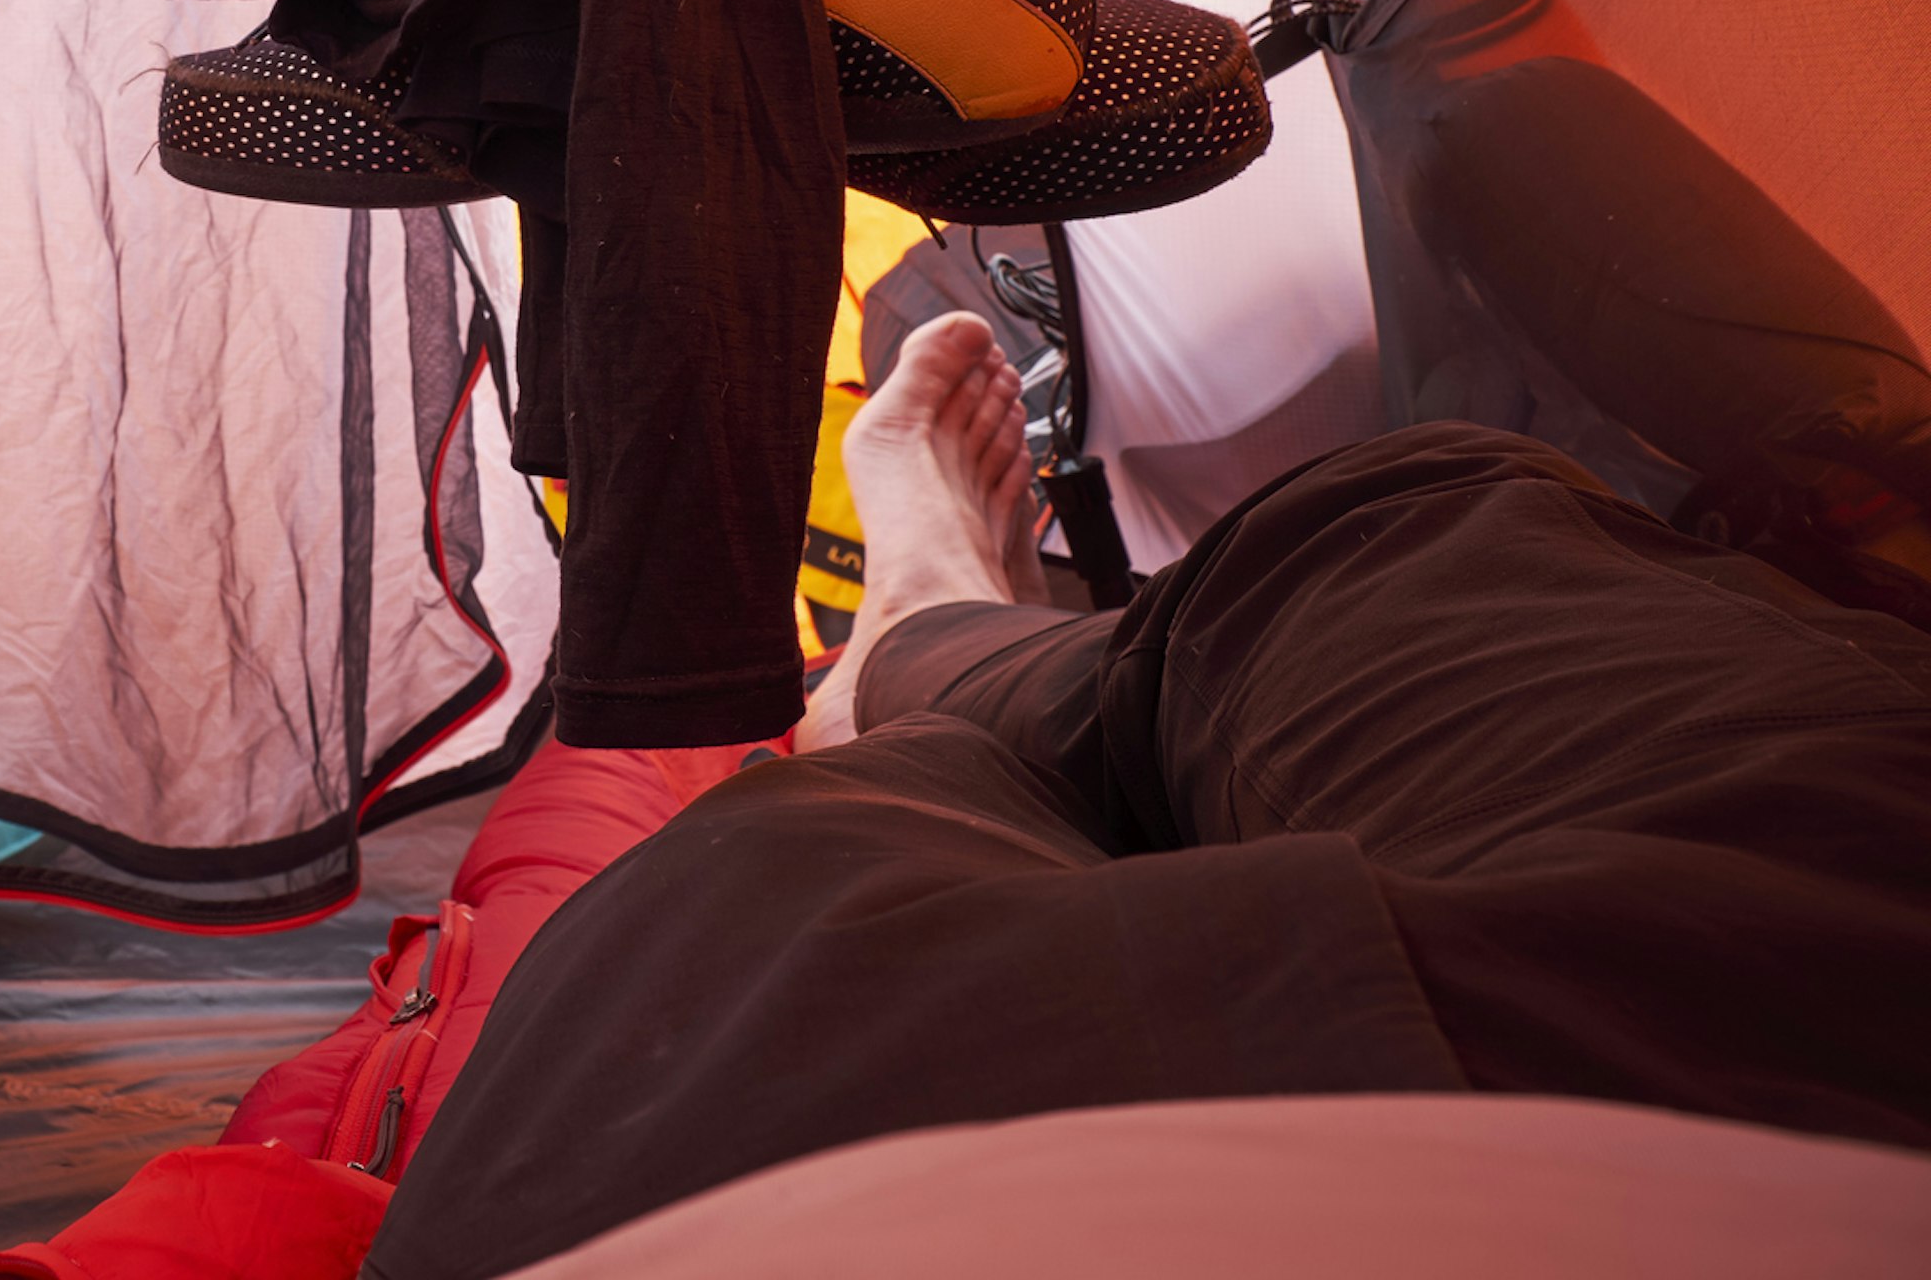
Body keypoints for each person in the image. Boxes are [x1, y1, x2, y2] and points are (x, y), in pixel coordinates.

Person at [366, 314, 1931, 1280]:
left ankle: (918, 643)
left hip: (764, 1182)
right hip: (1823, 1009)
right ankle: (933, 637)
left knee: (834, 842)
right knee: (1395, 524)